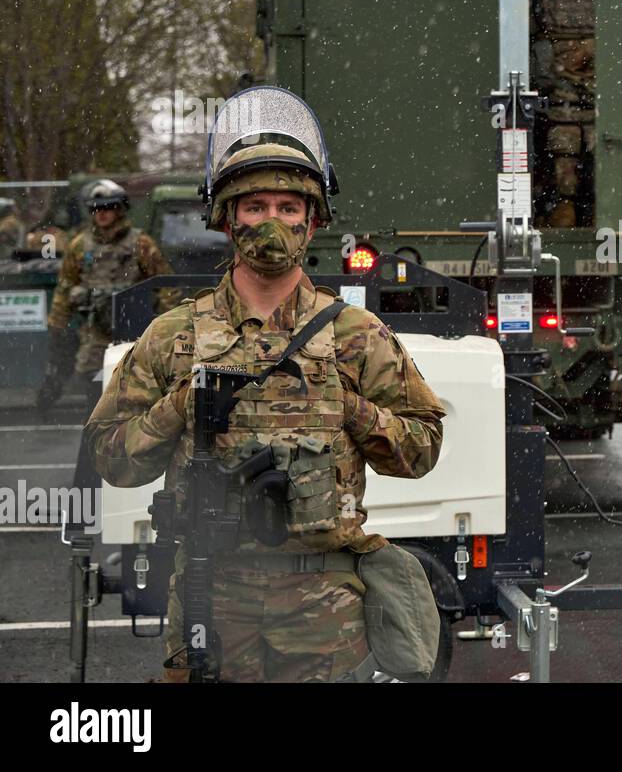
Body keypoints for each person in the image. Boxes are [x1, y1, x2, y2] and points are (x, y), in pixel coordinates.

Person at [83, 86, 446, 683]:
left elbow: (422, 449)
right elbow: (109, 458)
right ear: (227, 220)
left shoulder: (356, 334)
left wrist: (349, 407)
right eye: (254, 207)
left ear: (312, 219)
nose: (271, 222)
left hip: (323, 606)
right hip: (211, 597)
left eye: (287, 206)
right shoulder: (175, 335)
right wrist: (179, 407)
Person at [39, 180, 174, 417]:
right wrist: (57, 324)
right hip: (96, 330)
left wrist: (169, 325)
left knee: (136, 385)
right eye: (96, 209)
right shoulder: (80, 245)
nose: (101, 214)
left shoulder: (140, 243)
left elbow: (164, 284)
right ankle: (98, 435)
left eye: (107, 207)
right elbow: (65, 287)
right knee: (93, 383)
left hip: (134, 329)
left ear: (119, 209)